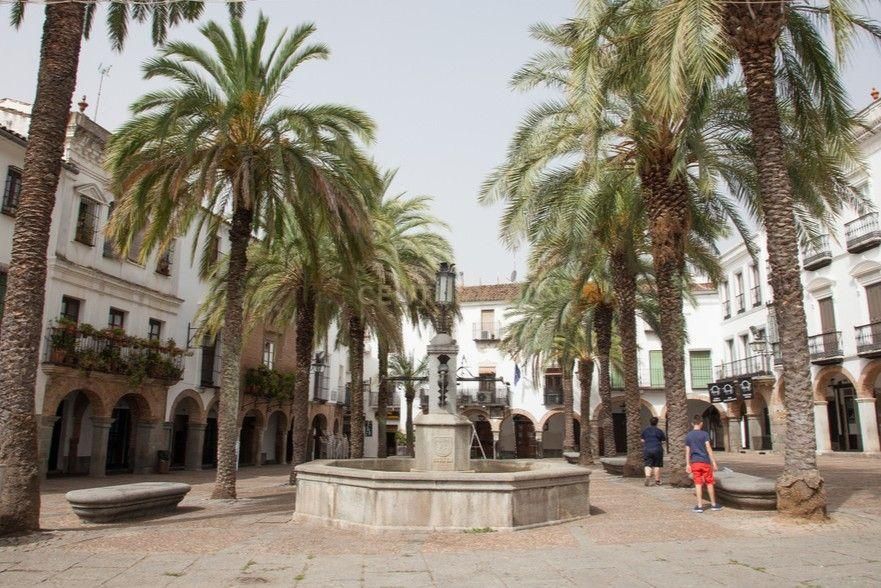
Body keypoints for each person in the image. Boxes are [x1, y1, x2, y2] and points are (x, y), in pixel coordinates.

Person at [685, 414, 722, 513]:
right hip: (705, 461)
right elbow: (708, 448)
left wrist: (688, 464)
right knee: (709, 483)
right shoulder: (705, 434)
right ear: (701, 423)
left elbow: (687, 451)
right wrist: (713, 462)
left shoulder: (688, 435)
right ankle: (714, 504)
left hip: (695, 462)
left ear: (692, 423)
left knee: (697, 483)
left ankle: (700, 506)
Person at [640, 416, 666, 486]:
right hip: (657, 449)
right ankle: (657, 481)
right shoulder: (659, 431)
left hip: (647, 449)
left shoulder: (645, 430)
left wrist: (647, 442)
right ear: (657, 423)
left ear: (650, 422)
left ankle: (648, 476)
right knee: (657, 465)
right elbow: (663, 440)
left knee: (647, 464)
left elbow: (642, 440)